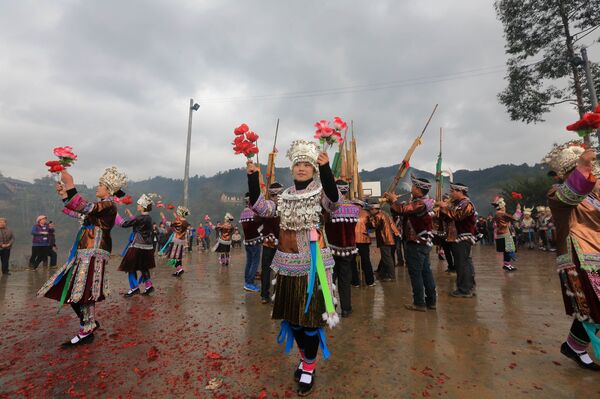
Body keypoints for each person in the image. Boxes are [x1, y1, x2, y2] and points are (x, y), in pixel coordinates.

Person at [247, 139, 340, 396]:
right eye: (297, 164)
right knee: (293, 320)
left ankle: (309, 367)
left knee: (310, 322)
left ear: (313, 169)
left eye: (306, 165)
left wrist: (326, 169)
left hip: (313, 267)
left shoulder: (321, 193)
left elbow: (334, 200)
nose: (301, 168)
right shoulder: (284, 197)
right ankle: (304, 358)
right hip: (286, 266)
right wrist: (253, 178)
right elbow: (260, 207)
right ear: (292, 169)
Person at [37, 166, 126, 346]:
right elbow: (76, 211)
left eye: (100, 185)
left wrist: (70, 185)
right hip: (85, 250)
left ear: (108, 189)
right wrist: (64, 194)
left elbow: (84, 206)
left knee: (83, 292)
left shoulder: (108, 205)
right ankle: (89, 324)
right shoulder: (100, 208)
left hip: (93, 251)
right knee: (75, 290)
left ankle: (86, 329)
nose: (97, 187)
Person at [544, 142, 600, 370]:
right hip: (578, 253)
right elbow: (572, 195)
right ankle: (575, 347)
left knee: (593, 307)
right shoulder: (557, 193)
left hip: (597, 249)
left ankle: (573, 346)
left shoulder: (594, 195)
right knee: (592, 304)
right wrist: (584, 171)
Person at [385, 174, 436, 312]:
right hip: (421, 243)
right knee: (425, 272)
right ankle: (431, 302)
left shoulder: (421, 203)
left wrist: (394, 200)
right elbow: (402, 210)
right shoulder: (421, 201)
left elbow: (402, 210)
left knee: (416, 273)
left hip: (417, 243)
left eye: (414, 186)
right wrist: (392, 202)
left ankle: (419, 303)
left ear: (419, 190)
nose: (411, 188)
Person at [324, 180, 360, 317]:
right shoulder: (355, 207)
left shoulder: (329, 208)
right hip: (349, 248)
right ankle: (346, 308)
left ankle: (330, 308)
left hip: (331, 248)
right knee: (345, 279)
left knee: (330, 279)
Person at [437, 182, 477, 298]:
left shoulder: (466, 204)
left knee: (462, 264)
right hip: (458, 237)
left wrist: (444, 207)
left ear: (460, 191)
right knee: (465, 263)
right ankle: (468, 287)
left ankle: (464, 289)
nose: (451, 193)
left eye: (453, 191)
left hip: (463, 237)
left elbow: (457, 216)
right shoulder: (458, 203)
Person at [117, 194, 156, 296]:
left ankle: (134, 288)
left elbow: (124, 224)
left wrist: (116, 215)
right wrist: (130, 215)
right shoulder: (149, 218)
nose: (137, 206)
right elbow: (137, 222)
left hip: (137, 246)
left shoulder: (139, 218)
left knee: (130, 267)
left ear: (143, 206)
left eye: (139, 204)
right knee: (143, 267)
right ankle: (148, 285)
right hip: (147, 247)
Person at [259, 182, 283, 304]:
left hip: (268, 242)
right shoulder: (285, 207)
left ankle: (265, 295)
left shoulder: (265, 206)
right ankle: (277, 295)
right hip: (280, 243)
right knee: (279, 270)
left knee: (266, 269)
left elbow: (256, 220)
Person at [240, 192, 263, 293]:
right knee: (254, 262)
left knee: (249, 262)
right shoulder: (254, 213)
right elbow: (260, 224)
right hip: (254, 241)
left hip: (247, 241)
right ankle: (249, 283)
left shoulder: (243, 212)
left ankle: (247, 281)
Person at [370, 202, 397, 282]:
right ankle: (383, 273)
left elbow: (373, 225)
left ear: (375, 209)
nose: (371, 211)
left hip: (385, 239)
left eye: (371, 209)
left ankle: (391, 276)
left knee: (387, 259)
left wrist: (369, 220)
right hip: (387, 238)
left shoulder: (378, 216)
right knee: (385, 258)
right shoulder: (383, 214)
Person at [492, 197, 521, 272]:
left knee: (507, 250)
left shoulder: (497, 214)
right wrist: (518, 209)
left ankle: (507, 264)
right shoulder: (502, 214)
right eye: (504, 206)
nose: (505, 207)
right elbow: (515, 218)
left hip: (501, 234)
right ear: (501, 207)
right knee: (508, 250)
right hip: (505, 234)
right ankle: (507, 265)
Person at [160, 206, 190, 277]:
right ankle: (178, 271)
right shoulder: (186, 222)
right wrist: (176, 216)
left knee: (173, 257)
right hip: (182, 241)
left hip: (176, 241)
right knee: (178, 256)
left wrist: (163, 217)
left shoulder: (178, 222)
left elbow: (169, 223)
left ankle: (179, 269)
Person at [352, 200, 376, 287]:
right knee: (366, 261)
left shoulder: (350, 213)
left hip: (352, 241)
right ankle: (370, 281)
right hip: (364, 240)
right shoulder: (366, 214)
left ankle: (355, 282)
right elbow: (373, 226)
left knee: (352, 262)